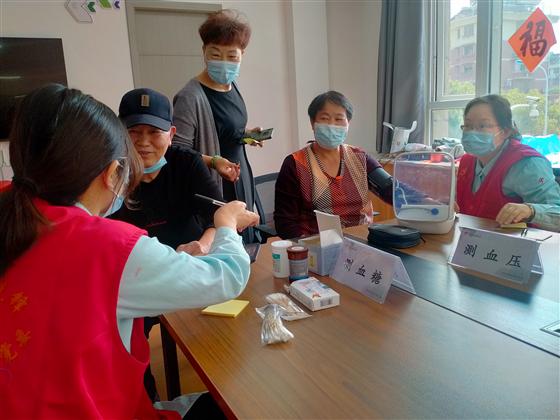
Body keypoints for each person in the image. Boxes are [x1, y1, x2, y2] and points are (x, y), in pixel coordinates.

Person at [0, 84, 259, 419]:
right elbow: (227, 278)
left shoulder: (11, 209)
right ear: (112, 173)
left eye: (154, 132)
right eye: (134, 133)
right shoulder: (108, 247)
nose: (144, 143)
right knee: (235, 403)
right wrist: (227, 223)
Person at [172, 9, 262, 243]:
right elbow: (177, 151)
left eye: (231, 56)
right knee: (223, 246)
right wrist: (214, 161)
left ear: (242, 54)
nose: (224, 63)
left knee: (246, 246)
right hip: (212, 186)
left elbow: (225, 130)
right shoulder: (190, 97)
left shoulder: (232, 86)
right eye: (215, 54)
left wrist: (247, 135)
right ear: (204, 51)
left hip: (239, 178)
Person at [274, 91, 393, 239]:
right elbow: (285, 223)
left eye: (339, 119)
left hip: (362, 241)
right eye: (324, 118)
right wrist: (307, 247)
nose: (331, 125)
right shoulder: (295, 164)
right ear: (312, 123)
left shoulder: (360, 158)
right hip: (315, 245)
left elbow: (392, 190)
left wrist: (417, 202)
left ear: (348, 123)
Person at [457, 94, 560, 231]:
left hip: (517, 243)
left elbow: (557, 213)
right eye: (468, 126)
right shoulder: (466, 162)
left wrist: (530, 210)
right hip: (472, 240)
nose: (472, 132)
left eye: (482, 126)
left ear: (505, 132)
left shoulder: (526, 164)